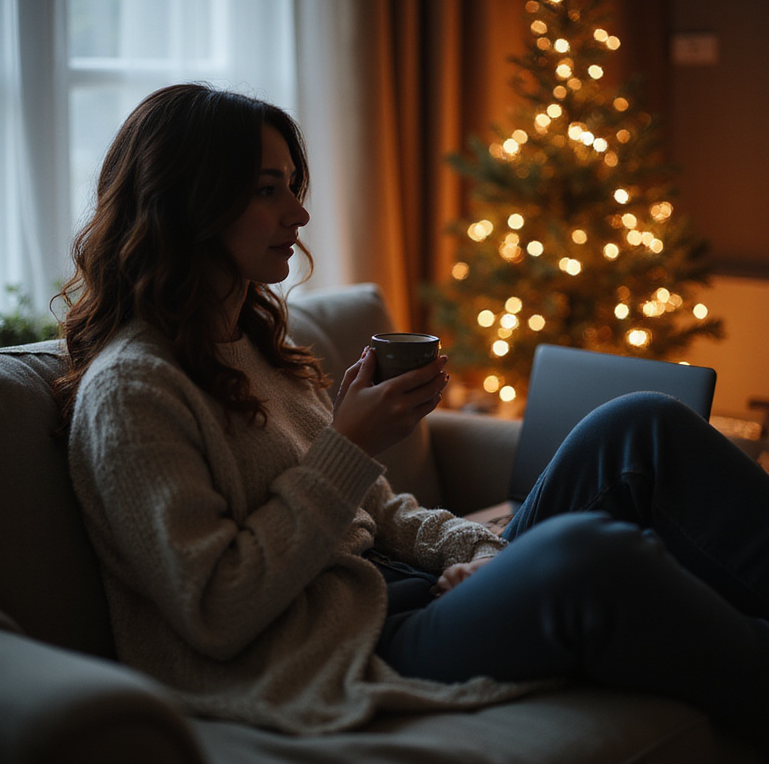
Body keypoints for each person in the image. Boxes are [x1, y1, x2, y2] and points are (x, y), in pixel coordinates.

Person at [55, 82, 769, 750]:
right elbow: (216, 610)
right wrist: (347, 446)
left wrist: (484, 557)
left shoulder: (253, 348)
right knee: (589, 553)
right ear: (190, 204)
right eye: (267, 192)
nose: (298, 215)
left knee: (639, 426)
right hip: (340, 649)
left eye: (292, 188)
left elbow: (381, 514)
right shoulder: (133, 393)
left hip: (408, 596)